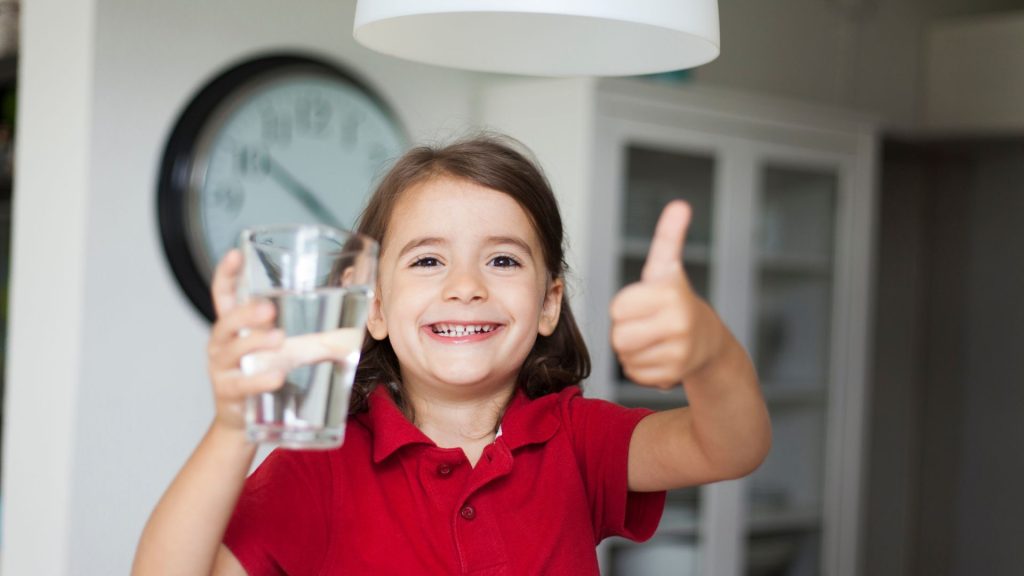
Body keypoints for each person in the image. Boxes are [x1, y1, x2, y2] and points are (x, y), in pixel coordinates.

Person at [132, 135, 771, 575]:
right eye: (429, 260)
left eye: (501, 259)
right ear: (372, 307)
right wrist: (232, 428)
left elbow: (733, 446)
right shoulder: (318, 471)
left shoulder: (577, 442)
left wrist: (709, 352)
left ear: (549, 303)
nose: (465, 286)